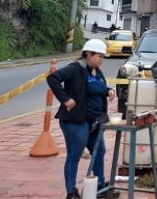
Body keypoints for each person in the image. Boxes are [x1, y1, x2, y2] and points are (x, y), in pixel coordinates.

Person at [47, 39, 120, 199]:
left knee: (99, 151)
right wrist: (65, 99)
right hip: (76, 121)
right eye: (99, 56)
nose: (102, 59)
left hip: (95, 121)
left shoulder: (96, 71)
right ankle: (71, 191)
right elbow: (52, 79)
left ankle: (100, 186)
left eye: (103, 56)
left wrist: (108, 90)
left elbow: (96, 87)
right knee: (75, 154)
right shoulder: (75, 69)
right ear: (88, 55)